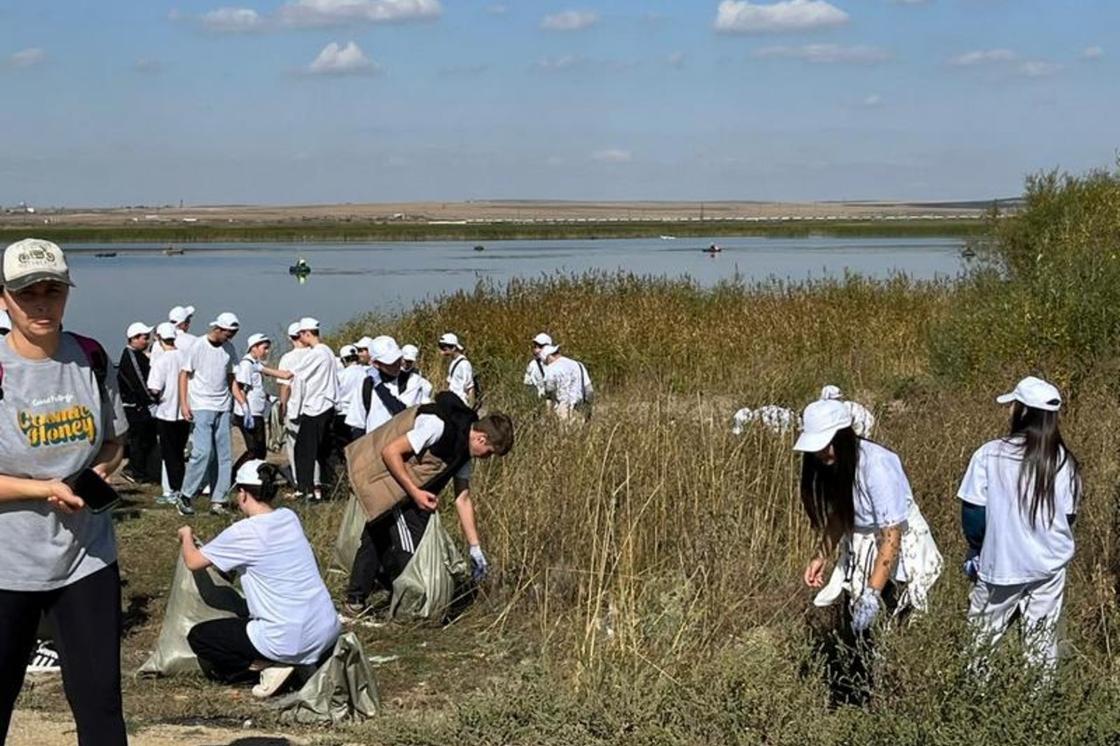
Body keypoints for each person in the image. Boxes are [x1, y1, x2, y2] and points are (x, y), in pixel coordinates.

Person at [0, 238, 129, 745]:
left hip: (86, 559)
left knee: (101, 703)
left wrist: (99, 472)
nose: (42, 303)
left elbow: (115, 442)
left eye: (53, 290)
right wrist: (42, 488)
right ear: (4, 298)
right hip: (8, 565)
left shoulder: (91, 358)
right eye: (27, 292)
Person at [795, 399, 941, 704]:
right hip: (861, 547)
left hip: (895, 550)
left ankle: (892, 696)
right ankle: (858, 696)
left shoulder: (877, 464)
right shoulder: (831, 464)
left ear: (844, 436)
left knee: (889, 625)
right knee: (859, 632)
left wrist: (873, 592)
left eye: (827, 444)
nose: (822, 453)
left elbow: (891, 535)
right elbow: (840, 513)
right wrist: (821, 555)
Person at [178, 460, 340, 698]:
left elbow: (193, 561)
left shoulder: (244, 532)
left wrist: (186, 535)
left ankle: (265, 666)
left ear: (243, 494)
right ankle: (293, 662)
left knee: (201, 637)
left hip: (287, 637)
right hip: (326, 629)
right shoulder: (289, 517)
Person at [344, 392, 514, 614]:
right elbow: (390, 452)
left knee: (377, 535)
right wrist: (415, 493)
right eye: (489, 453)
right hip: (392, 485)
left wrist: (475, 547)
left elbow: (462, 498)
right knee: (409, 550)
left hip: (409, 493)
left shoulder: (464, 452)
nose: (486, 458)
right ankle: (406, 606)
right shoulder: (437, 427)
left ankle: (357, 599)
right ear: (481, 438)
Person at [959, 376, 1081, 673]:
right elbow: (1067, 517)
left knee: (982, 640)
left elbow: (974, 512)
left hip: (1001, 565)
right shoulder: (1064, 461)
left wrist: (977, 549)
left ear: (1023, 411)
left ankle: (976, 703)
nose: (1010, 410)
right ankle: (1038, 709)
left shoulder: (990, 453)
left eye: (1014, 405)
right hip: (1049, 566)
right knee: (1042, 642)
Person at [178, 312, 240, 516]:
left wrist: (241, 402)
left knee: (224, 456)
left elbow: (231, 377)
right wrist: (184, 404)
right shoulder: (198, 346)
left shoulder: (229, 349)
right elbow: (184, 374)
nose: (230, 338)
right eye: (229, 333)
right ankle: (186, 494)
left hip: (223, 406)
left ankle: (219, 500)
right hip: (201, 405)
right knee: (203, 452)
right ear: (218, 329)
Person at [289, 318, 339, 501]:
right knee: (317, 450)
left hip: (317, 407)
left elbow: (290, 375)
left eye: (300, 334)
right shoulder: (327, 351)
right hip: (324, 406)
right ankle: (315, 488)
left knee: (305, 450)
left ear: (307, 333)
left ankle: (306, 489)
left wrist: (260, 369)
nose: (299, 338)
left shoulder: (317, 354)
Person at [345, 336, 431, 438]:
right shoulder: (366, 385)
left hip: (403, 445)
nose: (397, 365)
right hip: (374, 446)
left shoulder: (412, 380)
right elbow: (358, 424)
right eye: (390, 363)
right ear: (376, 364)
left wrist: (379, 387)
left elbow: (403, 413)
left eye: (398, 360)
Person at [148, 322, 190, 506]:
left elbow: (154, 388)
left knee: (169, 453)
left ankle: (174, 490)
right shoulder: (186, 357)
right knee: (180, 453)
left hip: (166, 411)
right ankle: (180, 487)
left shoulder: (162, 361)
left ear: (158, 338)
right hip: (185, 411)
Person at [118, 321, 161, 484]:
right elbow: (140, 382)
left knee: (147, 439)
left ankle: (140, 469)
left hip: (142, 406)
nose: (147, 341)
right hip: (136, 407)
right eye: (145, 338)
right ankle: (135, 471)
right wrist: (151, 401)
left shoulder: (139, 356)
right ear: (134, 339)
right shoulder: (131, 357)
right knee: (139, 439)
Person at [232, 333, 277, 474]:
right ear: (254, 347)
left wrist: (271, 398)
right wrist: (245, 409)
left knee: (260, 451)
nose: (267, 351)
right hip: (248, 414)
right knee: (253, 450)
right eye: (265, 348)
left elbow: (256, 389)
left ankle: (253, 477)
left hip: (257, 412)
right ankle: (233, 476)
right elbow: (240, 388)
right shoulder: (247, 365)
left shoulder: (255, 364)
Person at [540, 344, 593, 420]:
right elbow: (589, 390)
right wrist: (588, 411)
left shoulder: (551, 368)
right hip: (579, 409)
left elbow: (549, 389)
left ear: (548, 357)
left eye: (546, 362)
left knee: (564, 431)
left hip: (562, 410)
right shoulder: (578, 365)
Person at [335, 344, 366, 450]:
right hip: (362, 415)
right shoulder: (366, 373)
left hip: (343, 414)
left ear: (343, 360)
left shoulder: (340, 376)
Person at [438, 332, 475, 407]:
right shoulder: (453, 362)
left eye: (444, 349)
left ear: (454, 348)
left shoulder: (464, 364)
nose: (442, 352)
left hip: (461, 404)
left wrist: (471, 408)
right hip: (452, 402)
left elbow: (470, 388)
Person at [522, 332, 552, 398]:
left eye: (540, 346)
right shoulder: (532, 365)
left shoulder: (557, 364)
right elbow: (528, 386)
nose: (536, 349)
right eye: (535, 346)